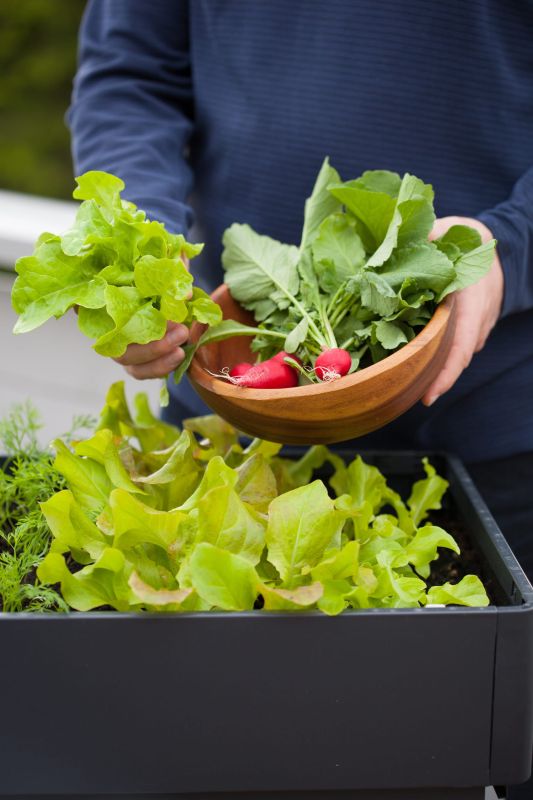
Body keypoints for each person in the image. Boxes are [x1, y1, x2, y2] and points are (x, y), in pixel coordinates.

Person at [69, 3, 532, 794]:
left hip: (502, 439)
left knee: (491, 748)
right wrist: (137, 253)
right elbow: (131, 73)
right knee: (212, 758)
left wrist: (509, 246)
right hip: (230, 429)